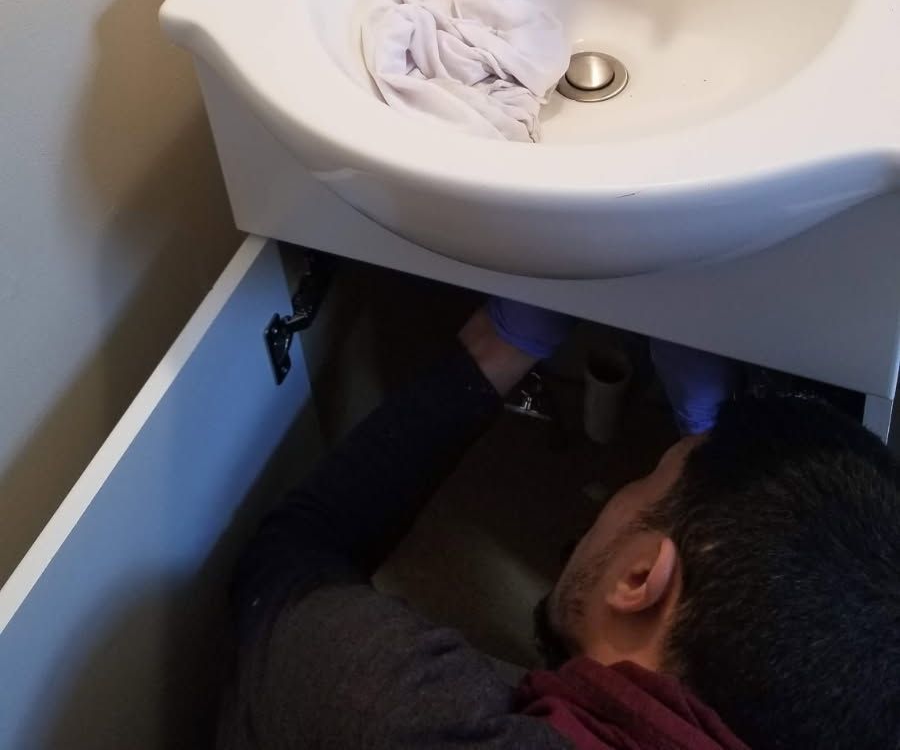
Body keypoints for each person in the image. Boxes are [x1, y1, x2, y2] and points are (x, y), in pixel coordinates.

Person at [218, 298, 900, 750]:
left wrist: (498, 344)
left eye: (647, 478)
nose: (620, 496)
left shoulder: (398, 710)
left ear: (639, 578)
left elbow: (291, 560)